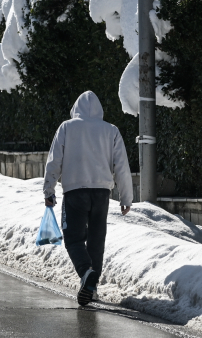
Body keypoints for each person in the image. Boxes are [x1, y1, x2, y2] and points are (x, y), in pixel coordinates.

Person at [43, 91, 133, 306]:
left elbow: (55, 160)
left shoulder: (66, 127)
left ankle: (86, 272)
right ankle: (92, 289)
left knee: (73, 239)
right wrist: (126, 197)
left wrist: (49, 190)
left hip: (75, 191)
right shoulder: (111, 130)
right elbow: (121, 165)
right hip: (102, 193)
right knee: (96, 240)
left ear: (76, 109)